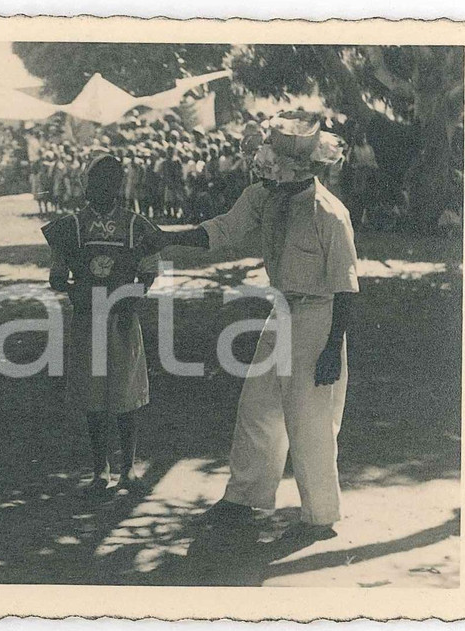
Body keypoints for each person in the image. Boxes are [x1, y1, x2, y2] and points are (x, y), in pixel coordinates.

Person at [142, 111, 358, 538]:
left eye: (272, 164)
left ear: (295, 168)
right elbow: (223, 230)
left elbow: (347, 290)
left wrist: (332, 348)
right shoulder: (265, 197)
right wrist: (167, 236)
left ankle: (320, 514)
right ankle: (245, 497)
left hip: (319, 315)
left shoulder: (330, 213)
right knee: (257, 404)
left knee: (307, 414)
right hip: (281, 310)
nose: (265, 170)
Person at [42, 155, 160, 499]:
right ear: (85, 186)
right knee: (93, 397)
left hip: (122, 319)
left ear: (118, 186)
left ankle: (128, 468)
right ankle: (100, 470)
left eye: (108, 183)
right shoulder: (72, 226)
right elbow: (57, 275)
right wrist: (71, 286)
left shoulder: (136, 225)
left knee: (125, 396)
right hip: (88, 319)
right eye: (95, 183)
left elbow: (149, 272)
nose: (101, 190)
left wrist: (130, 297)